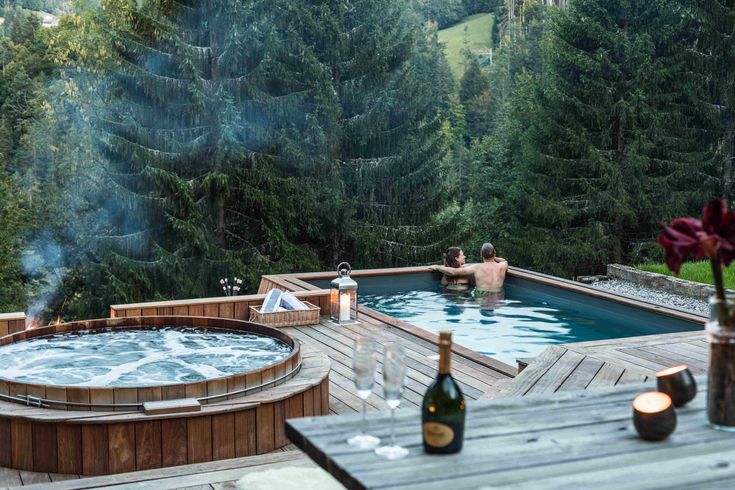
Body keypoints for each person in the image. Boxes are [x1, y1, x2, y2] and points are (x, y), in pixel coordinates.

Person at [430, 243, 508, 294]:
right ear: (494, 253)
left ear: (481, 254)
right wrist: (491, 255)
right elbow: (504, 260)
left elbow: (454, 272)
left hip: (481, 295)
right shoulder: (503, 265)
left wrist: (438, 267)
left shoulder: (477, 267)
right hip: (498, 297)